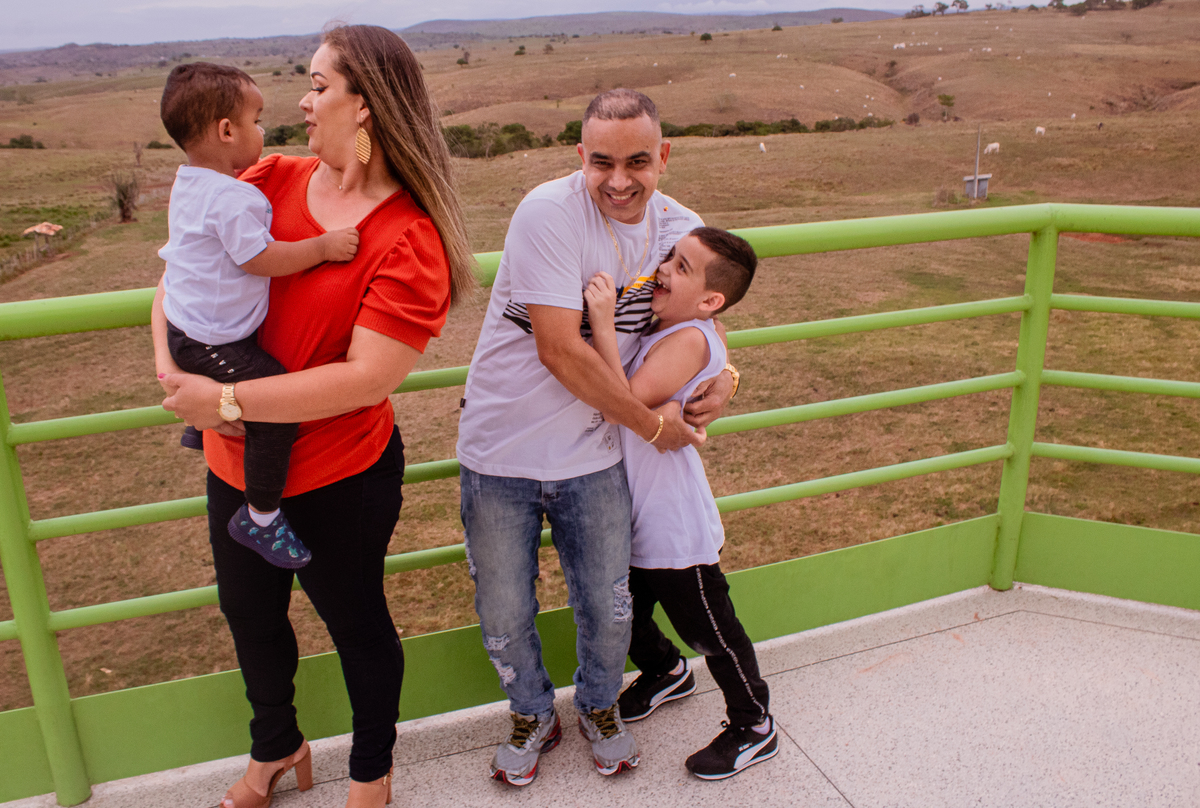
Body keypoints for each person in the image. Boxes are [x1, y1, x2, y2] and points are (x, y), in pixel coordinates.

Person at [153, 24, 475, 808]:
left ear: (364, 106)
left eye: (318, 85)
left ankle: (371, 771)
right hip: (236, 463)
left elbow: (365, 380)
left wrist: (222, 401)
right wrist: (171, 370)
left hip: (339, 476)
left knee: (356, 625)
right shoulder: (265, 179)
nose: (302, 101)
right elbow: (177, 281)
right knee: (249, 617)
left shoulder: (409, 238)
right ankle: (277, 748)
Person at [455, 88, 737, 786]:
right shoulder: (548, 213)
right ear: (580, 156)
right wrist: (652, 425)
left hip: (595, 454)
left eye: (637, 161)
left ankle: (599, 707)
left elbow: (705, 316)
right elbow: (559, 348)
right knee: (504, 607)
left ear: (663, 156)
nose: (619, 180)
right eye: (602, 162)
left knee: (610, 608)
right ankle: (531, 713)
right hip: (502, 451)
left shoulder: (682, 228)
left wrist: (729, 373)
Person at [586, 227, 776, 781]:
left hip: (672, 526)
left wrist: (602, 321)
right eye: (670, 257)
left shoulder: (690, 339)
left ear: (711, 300)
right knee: (621, 612)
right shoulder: (680, 325)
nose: (664, 269)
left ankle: (754, 724)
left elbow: (621, 401)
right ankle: (667, 671)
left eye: (682, 267)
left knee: (712, 632)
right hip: (637, 513)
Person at [157, 61, 362, 569]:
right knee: (274, 405)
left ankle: (200, 426)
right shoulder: (232, 198)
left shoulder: (190, 182)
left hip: (189, 326)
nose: (263, 131)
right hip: (213, 341)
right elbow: (260, 259)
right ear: (227, 131)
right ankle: (261, 516)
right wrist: (322, 248)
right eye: (257, 120)